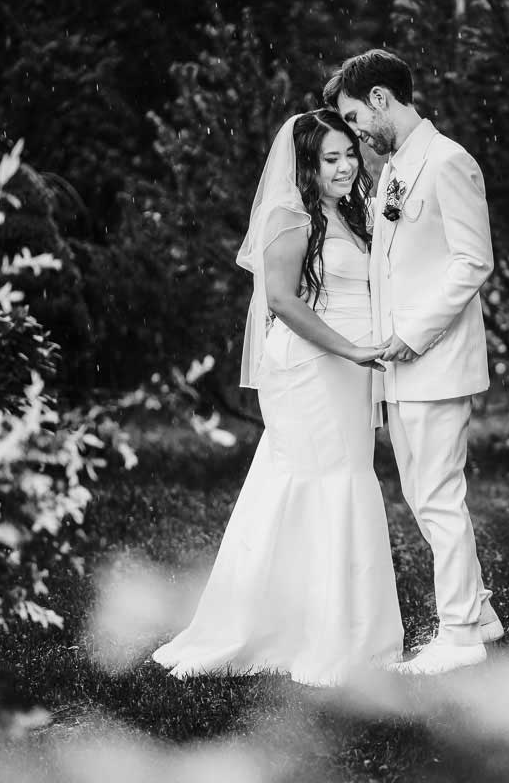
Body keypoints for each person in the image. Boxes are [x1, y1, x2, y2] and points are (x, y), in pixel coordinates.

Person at [151, 110, 404, 686]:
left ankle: (325, 624)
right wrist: (353, 350)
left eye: (348, 154)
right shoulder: (288, 217)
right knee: (328, 482)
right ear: (305, 166)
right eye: (329, 158)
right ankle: (325, 633)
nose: (344, 167)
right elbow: (284, 303)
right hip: (314, 368)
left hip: (345, 367)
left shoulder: (346, 216)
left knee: (325, 482)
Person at [325, 49, 504, 675]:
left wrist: (414, 332)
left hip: (436, 359)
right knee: (425, 493)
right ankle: (478, 611)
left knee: (436, 498)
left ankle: (459, 636)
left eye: (353, 115)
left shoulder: (449, 161)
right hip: (401, 366)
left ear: (380, 99)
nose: (353, 132)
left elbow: (472, 261)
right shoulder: (397, 167)